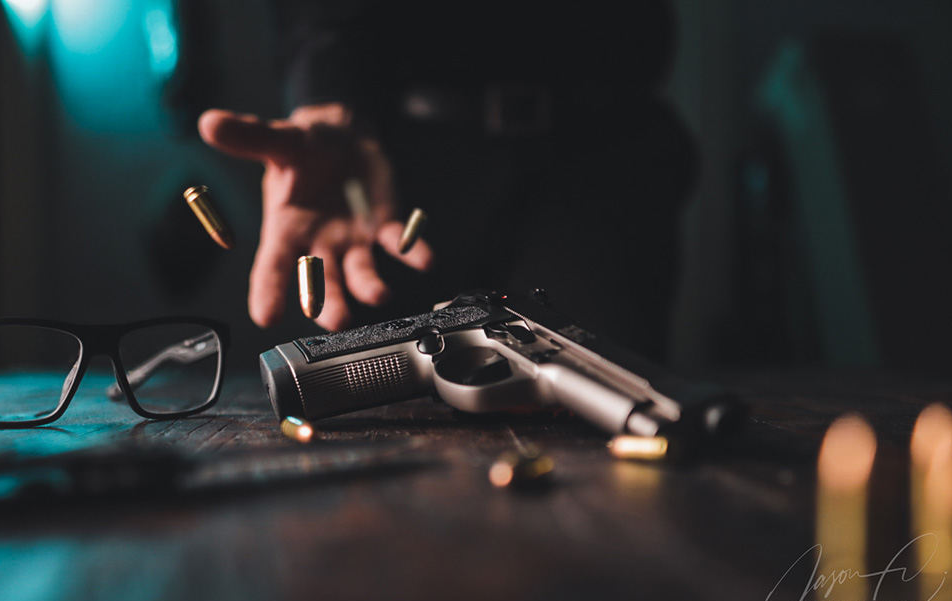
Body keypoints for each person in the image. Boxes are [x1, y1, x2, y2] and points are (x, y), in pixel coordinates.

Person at [199, 1, 694, 360]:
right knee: (389, 404)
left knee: (613, 385)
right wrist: (328, 89)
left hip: (603, 152)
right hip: (401, 162)